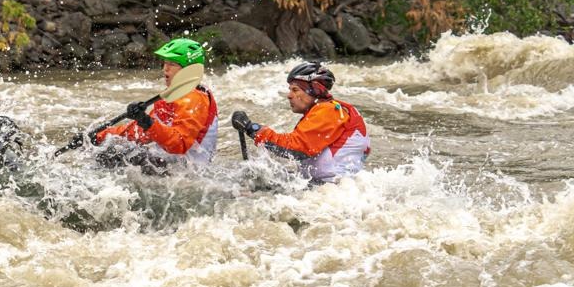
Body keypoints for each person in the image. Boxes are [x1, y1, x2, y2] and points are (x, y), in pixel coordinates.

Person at [231, 62, 369, 183]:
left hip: (332, 189)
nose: (289, 95)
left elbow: (296, 147)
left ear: (314, 91)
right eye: (290, 90)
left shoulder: (328, 111)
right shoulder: (328, 110)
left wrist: (253, 129)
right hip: (330, 187)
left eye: (295, 90)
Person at [95, 38, 218, 163]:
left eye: (172, 64)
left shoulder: (195, 99)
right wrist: (101, 136)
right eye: (165, 63)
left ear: (189, 69)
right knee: (113, 152)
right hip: (170, 164)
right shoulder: (172, 96)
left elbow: (179, 144)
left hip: (190, 170)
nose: (165, 69)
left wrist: (147, 122)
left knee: (124, 157)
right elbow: (141, 133)